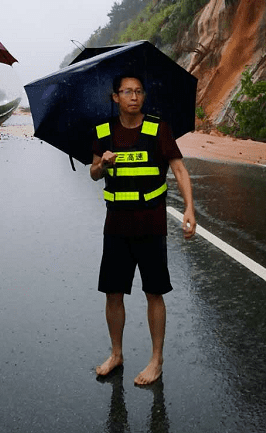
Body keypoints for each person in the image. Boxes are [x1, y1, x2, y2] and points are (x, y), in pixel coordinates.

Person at [90, 73, 196, 386]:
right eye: (127, 91)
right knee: (113, 293)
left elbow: (178, 168)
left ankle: (156, 359)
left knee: (154, 293)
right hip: (117, 225)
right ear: (115, 97)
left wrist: (189, 208)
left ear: (144, 96)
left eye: (139, 91)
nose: (134, 97)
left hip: (151, 225)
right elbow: (94, 173)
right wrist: (103, 164)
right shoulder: (103, 131)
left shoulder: (158, 129)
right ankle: (117, 353)